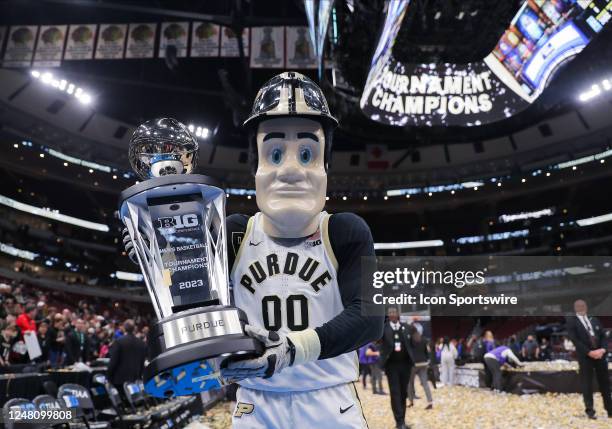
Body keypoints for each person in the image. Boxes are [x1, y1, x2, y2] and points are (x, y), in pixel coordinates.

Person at [219, 72, 384, 428]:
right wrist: (162, 253)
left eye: (306, 153)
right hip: (256, 401)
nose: (291, 169)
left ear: (325, 163)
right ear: (256, 164)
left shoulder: (344, 231)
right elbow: (203, 305)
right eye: (275, 153)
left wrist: (291, 351)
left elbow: (371, 317)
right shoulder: (234, 232)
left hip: (328, 398)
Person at [565, 299, 611, 419]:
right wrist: (589, 352)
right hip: (586, 357)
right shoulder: (571, 322)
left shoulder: (594, 318)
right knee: (587, 384)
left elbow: (603, 336)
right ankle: (590, 411)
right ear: (575, 308)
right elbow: (575, 340)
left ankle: (610, 409)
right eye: (579, 306)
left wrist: (603, 350)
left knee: (605, 383)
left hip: (600, 356)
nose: (582, 307)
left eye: (583, 305)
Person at [380, 307, 414, 429]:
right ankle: (399, 422)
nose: (392, 314)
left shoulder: (406, 327)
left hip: (405, 365)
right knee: (395, 393)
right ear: (388, 315)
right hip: (391, 366)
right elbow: (378, 343)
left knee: (403, 392)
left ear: (398, 314)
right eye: (390, 313)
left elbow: (413, 344)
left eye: (394, 312)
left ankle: (403, 420)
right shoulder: (384, 328)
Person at [107, 320, 147, 400]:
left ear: (124, 328)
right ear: (134, 329)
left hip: (120, 379)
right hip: (135, 378)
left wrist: (108, 376)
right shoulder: (141, 343)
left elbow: (113, 361)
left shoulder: (119, 342)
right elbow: (142, 362)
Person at [407, 328, 433, 409]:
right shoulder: (424, 339)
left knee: (410, 383)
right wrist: (428, 361)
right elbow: (427, 351)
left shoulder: (409, 340)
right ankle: (430, 401)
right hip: (423, 363)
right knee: (425, 383)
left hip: (413, 364)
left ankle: (411, 401)